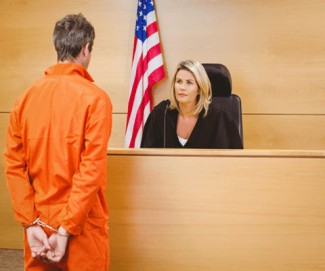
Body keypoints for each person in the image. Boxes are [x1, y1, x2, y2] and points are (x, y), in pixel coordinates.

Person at [3, 13, 112, 270]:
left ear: (58, 47)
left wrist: (30, 223)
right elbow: (90, 172)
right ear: (85, 48)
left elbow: (14, 168)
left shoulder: (24, 100)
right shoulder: (96, 100)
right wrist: (65, 230)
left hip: (38, 228)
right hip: (82, 227)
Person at [141, 60, 243, 149]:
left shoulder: (219, 116)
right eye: (179, 81)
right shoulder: (161, 113)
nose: (182, 87)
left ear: (199, 88)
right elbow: (146, 158)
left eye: (189, 83)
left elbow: (232, 161)